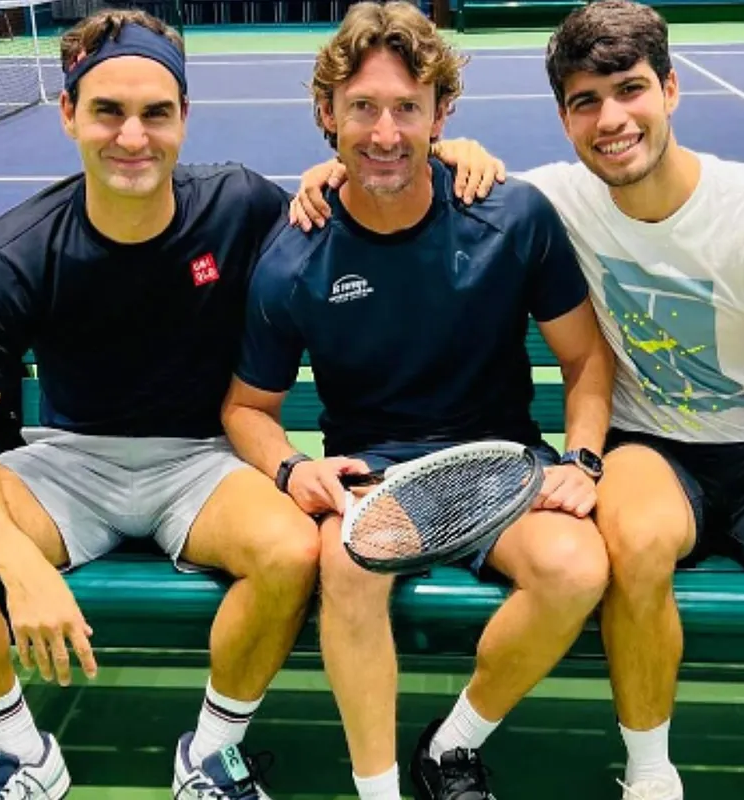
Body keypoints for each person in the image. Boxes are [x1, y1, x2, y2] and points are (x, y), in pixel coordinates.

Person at [289, 2, 744, 798]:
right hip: (650, 450)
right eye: (587, 102)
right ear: (564, 117)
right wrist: (338, 169)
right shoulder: (558, 199)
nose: (611, 120)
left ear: (671, 90)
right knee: (636, 541)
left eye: (630, 90)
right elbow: (408, 159)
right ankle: (650, 775)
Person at [0, 10, 324, 799]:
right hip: (67, 464)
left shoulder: (241, 205)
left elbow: (358, 219)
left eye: (155, 113)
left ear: (184, 117)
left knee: (290, 551)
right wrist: (17, 563)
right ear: (70, 113)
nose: (132, 137)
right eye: (108, 111)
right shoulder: (16, 251)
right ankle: (21, 753)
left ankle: (212, 754)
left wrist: (416, 163)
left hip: (202, 462)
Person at [220, 3, 615, 799]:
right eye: (363, 108)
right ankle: (379, 791)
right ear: (328, 115)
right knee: (348, 564)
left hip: (497, 466)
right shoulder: (295, 253)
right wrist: (294, 470)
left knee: (576, 568)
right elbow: (245, 409)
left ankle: (451, 746)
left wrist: (582, 458)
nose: (386, 132)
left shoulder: (509, 215)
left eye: (408, 108)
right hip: (379, 477)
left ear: (443, 114)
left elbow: (585, 362)